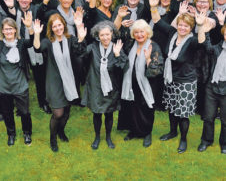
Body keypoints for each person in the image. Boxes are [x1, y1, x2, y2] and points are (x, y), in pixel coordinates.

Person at [149, 0, 203, 153]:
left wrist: (200, 25)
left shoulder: (192, 41)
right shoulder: (173, 34)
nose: (182, 27)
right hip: (170, 78)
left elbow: (202, 44)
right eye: (180, 25)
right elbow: (157, 21)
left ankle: (184, 139)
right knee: (172, 108)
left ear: (190, 28)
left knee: (183, 113)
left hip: (186, 81)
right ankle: (172, 132)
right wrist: (153, 6)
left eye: (186, 26)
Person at [0, 0, 51, 114]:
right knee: (20, 77)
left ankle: (43, 102)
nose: (24, 0)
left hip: (34, 48)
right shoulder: (12, 10)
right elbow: (2, 3)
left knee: (40, 77)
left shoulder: (35, 10)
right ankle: (20, 106)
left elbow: (43, 8)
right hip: (19, 50)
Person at [33, 14, 87, 152]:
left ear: (64, 25)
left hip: (69, 80)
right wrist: (37, 34)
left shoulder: (70, 39)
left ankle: (61, 132)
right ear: (51, 28)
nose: (58, 28)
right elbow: (37, 48)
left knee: (67, 111)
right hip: (54, 81)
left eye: (60, 24)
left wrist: (81, 36)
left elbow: (81, 52)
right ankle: (53, 139)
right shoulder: (48, 41)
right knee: (58, 113)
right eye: (54, 26)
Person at [0, 12, 34, 146]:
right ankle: (11, 134)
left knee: (25, 112)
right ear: (2, 31)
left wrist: (30, 28)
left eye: (11, 28)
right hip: (3, 85)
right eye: (6, 29)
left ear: (15, 30)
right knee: (7, 113)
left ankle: (27, 133)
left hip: (20, 85)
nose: (8, 31)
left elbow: (32, 42)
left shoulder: (21, 43)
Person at [81, 21, 128, 150]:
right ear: (98, 36)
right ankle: (97, 137)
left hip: (111, 88)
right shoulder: (93, 47)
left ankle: (108, 137)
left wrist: (118, 55)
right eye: (102, 35)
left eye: (107, 34)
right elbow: (81, 56)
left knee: (109, 114)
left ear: (112, 34)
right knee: (97, 114)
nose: (105, 37)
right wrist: (80, 39)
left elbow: (122, 69)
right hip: (96, 86)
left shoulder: (117, 47)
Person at [120, 19, 163, 147]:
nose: (139, 35)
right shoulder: (131, 44)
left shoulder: (153, 46)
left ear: (147, 32)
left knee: (146, 108)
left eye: (142, 32)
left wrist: (149, 59)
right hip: (131, 83)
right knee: (132, 106)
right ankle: (134, 131)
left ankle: (147, 133)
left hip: (148, 84)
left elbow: (157, 69)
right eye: (137, 32)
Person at [197, 13, 226, 154]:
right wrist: (206, 31)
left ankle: (224, 144)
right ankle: (206, 140)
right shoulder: (217, 48)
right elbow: (206, 46)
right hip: (212, 86)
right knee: (208, 117)